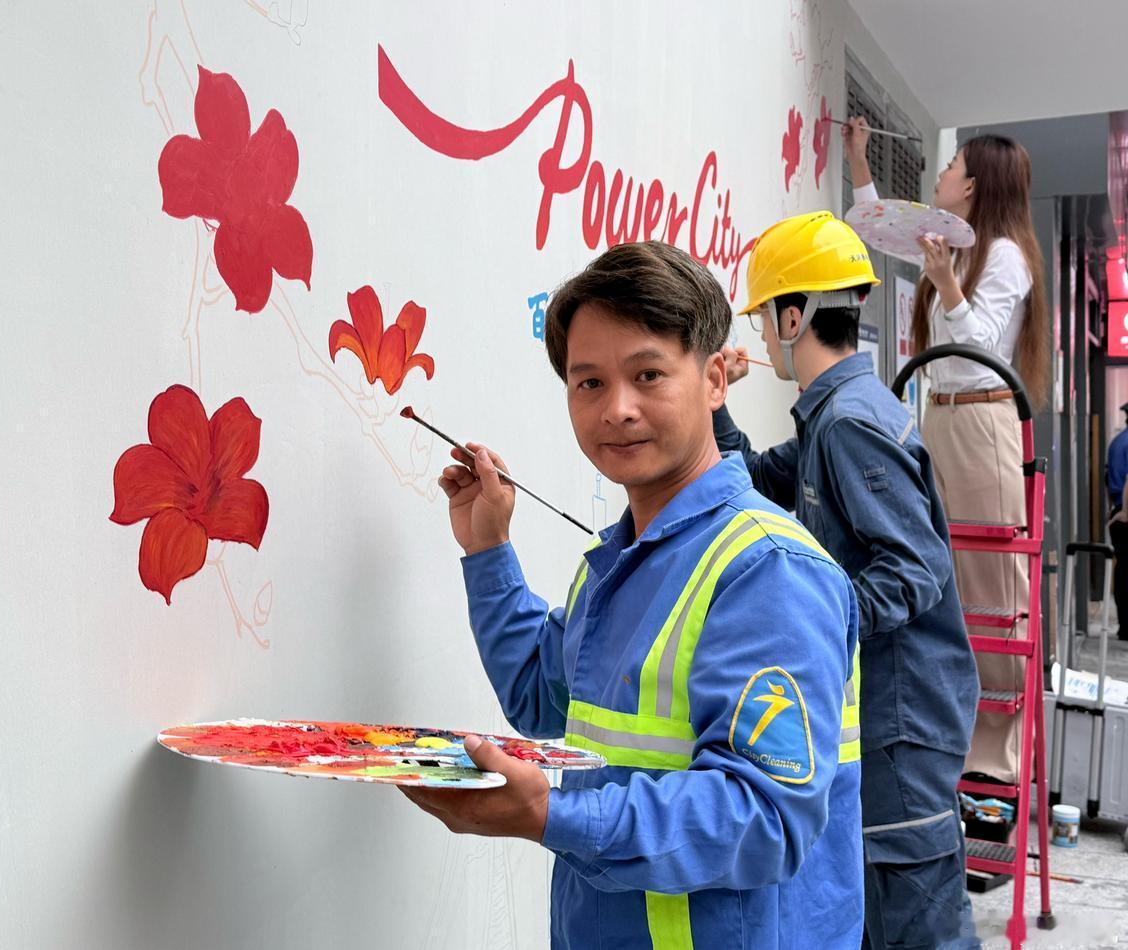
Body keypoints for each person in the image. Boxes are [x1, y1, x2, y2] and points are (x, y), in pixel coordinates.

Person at [400, 240, 863, 948]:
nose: (616, 409)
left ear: (714, 380)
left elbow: (764, 819)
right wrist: (488, 549)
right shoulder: (617, 563)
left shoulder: (768, 570)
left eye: (648, 374)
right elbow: (538, 694)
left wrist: (554, 816)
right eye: (588, 383)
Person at [716, 211, 980, 948]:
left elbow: (915, 567)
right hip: (889, 720)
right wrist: (714, 406)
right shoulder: (834, 416)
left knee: (914, 925)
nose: (765, 336)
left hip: (902, 724)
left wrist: (814, 624)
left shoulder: (848, 424)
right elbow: (761, 481)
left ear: (794, 316)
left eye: (768, 318)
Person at [844, 117, 1049, 785]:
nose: (942, 174)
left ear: (977, 184)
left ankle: (996, 766)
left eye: (953, 165)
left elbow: (983, 346)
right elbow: (873, 225)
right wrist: (858, 159)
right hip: (940, 417)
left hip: (984, 423)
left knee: (992, 589)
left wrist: (948, 282)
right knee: (942, 574)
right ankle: (953, 745)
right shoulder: (950, 248)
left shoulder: (1006, 256)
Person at [1107, 401, 1128, 639]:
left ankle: (1124, 625)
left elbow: (1107, 476)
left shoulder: (1117, 442)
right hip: (1126, 512)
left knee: (1122, 569)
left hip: (1117, 510)